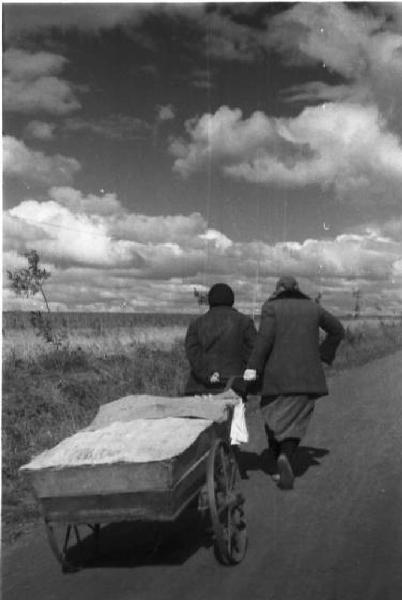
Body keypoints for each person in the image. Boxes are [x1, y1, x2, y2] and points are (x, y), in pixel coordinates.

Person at [243, 275, 345, 490]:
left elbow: (264, 341)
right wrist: (322, 355)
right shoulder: (313, 307)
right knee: (297, 420)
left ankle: (276, 453)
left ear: (278, 289)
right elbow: (337, 330)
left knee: (271, 412)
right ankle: (285, 456)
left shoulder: (271, 307)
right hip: (307, 376)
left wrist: (252, 369)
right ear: (297, 288)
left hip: (275, 377)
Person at [184, 283, 257, 396]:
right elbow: (253, 354)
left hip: (199, 388)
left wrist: (208, 375)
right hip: (234, 387)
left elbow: (193, 355)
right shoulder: (245, 323)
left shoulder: (196, 324)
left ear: (210, 300)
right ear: (232, 300)